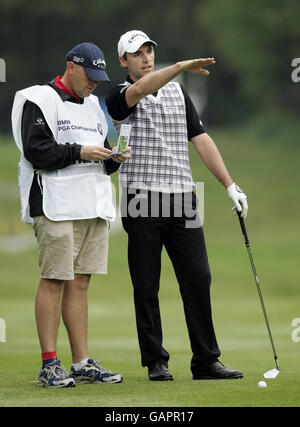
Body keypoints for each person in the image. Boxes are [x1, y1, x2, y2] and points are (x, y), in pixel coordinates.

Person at [106, 30, 248, 381]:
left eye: (149, 51)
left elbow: (200, 139)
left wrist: (230, 185)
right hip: (141, 197)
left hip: (183, 196)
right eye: (136, 54)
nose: (146, 58)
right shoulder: (118, 95)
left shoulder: (176, 91)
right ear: (123, 61)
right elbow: (141, 90)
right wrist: (182, 65)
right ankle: (156, 360)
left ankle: (206, 361)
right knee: (147, 284)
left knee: (198, 278)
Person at [11, 42, 130, 388]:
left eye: (99, 77)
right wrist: (82, 151)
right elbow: (37, 150)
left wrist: (112, 157)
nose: (94, 83)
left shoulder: (94, 105)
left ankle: (81, 362)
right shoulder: (37, 99)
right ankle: (50, 364)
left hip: (91, 204)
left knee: (80, 283)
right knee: (54, 280)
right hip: (54, 203)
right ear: (71, 67)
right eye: (90, 76)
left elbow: (97, 157)